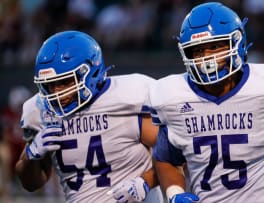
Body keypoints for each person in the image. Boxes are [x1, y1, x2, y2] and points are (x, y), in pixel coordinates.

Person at [149, 2, 264, 203]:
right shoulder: (174, 97)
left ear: (237, 42)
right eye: (197, 51)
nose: (207, 58)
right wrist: (175, 194)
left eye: (214, 47)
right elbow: (165, 159)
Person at [15, 30, 161, 203]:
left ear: (90, 72)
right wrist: (31, 157)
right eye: (50, 85)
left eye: (64, 82)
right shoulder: (40, 111)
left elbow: (176, 155)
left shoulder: (128, 98)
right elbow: (31, 184)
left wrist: (146, 182)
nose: (56, 93)